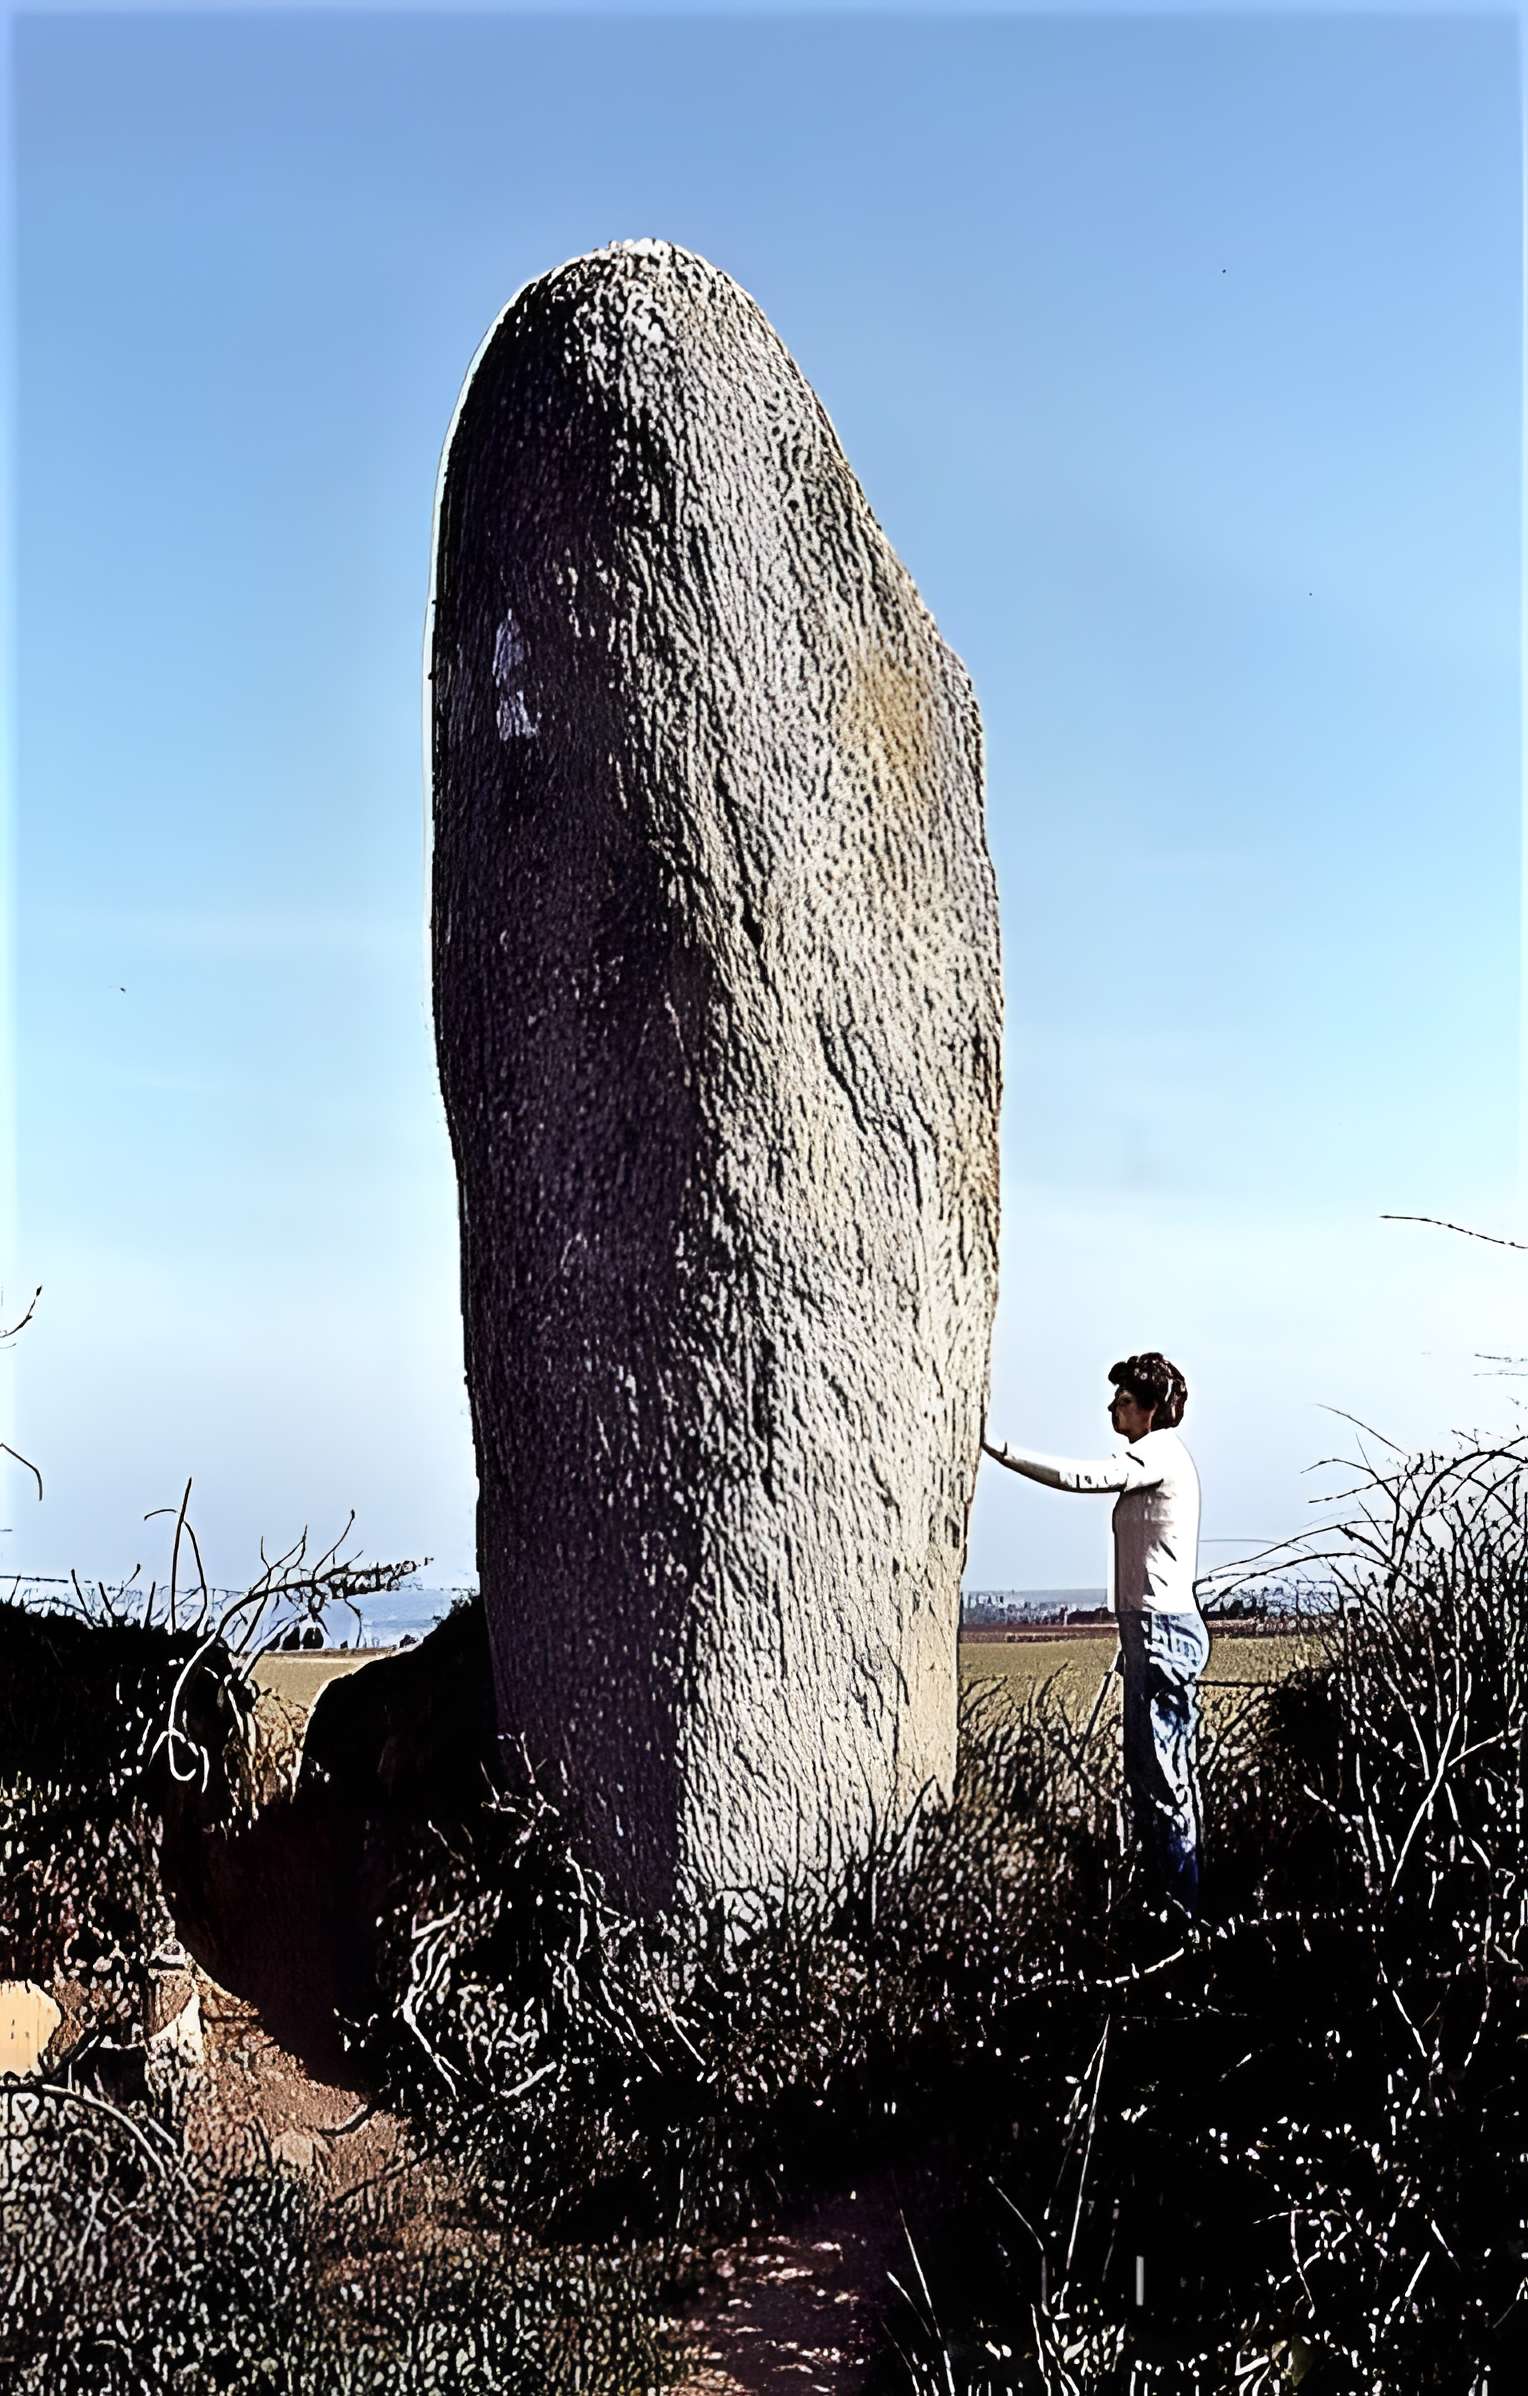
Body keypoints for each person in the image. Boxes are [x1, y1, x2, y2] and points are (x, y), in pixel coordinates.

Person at [983, 1351, 1209, 1911]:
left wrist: (998, 1449)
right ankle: (1171, 1901)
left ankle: (1182, 1914)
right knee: (1154, 1778)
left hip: (1162, 1634)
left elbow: (1084, 1477)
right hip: (1150, 1633)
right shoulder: (1153, 1455)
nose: (1113, 1407)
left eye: (1124, 1400)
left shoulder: (1157, 1451)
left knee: (1164, 1781)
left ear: (1151, 1408)